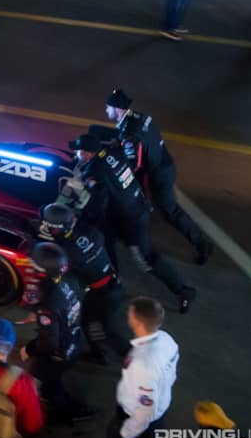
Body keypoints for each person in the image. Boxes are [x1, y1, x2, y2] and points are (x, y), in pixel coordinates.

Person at [65, 134, 197, 314]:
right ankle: (114, 281)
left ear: (88, 154)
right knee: (105, 239)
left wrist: (78, 215)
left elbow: (96, 202)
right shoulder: (111, 152)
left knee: (144, 259)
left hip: (130, 220)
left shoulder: (95, 171)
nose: (76, 154)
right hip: (131, 206)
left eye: (79, 151)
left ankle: (183, 291)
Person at [105, 89, 213, 265]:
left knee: (172, 212)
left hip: (157, 176)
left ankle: (202, 244)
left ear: (118, 109)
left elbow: (134, 165)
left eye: (108, 107)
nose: (106, 111)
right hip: (165, 164)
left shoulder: (129, 133)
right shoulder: (140, 117)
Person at [37, 202, 129, 364]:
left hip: (103, 294)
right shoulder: (91, 232)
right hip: (114, 281)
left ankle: (111, 354)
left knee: (95, 324)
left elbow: (60, 268)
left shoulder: (66, 252)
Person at [19, 242, 94, 425]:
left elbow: (49, 342)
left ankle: (70, 413)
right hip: (76, 339)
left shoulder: (48, 304)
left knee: (49, 386)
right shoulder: (69, 279)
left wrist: (28, 349)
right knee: (54, 382)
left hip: (60, 352)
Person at [103, 297, 178, 438]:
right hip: (159, 411)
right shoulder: (166, 339)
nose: (127, 316)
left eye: (130, 314)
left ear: (137, 323)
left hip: (136, 419)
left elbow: (145, 410)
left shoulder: (142, 364)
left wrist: (125, 433)